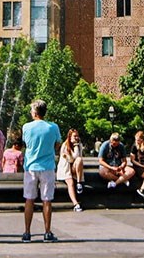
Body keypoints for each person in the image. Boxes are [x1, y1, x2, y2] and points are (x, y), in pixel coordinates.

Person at [21, 99, 61, 243]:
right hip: (48, 166)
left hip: (31, 167)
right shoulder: (53, 127)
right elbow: (57, 144)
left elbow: (26, 143)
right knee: (47, 200)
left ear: (35, 112)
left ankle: (27, 232)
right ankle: (47, 232)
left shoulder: (26, 127)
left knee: (29, 199)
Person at [56, 128, 86, 212]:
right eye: (74, 136)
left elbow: (77, 157)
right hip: (65, 168)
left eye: (77, 136)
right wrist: (75, 147)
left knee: (79, 159)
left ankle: (79, 183)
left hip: (73, 167)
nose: (76, 138)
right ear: (69, 137)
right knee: (71, 183)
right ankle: (76, 204)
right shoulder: (65, 145)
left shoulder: (78, 144)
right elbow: (70, 160)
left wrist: (76, 146)